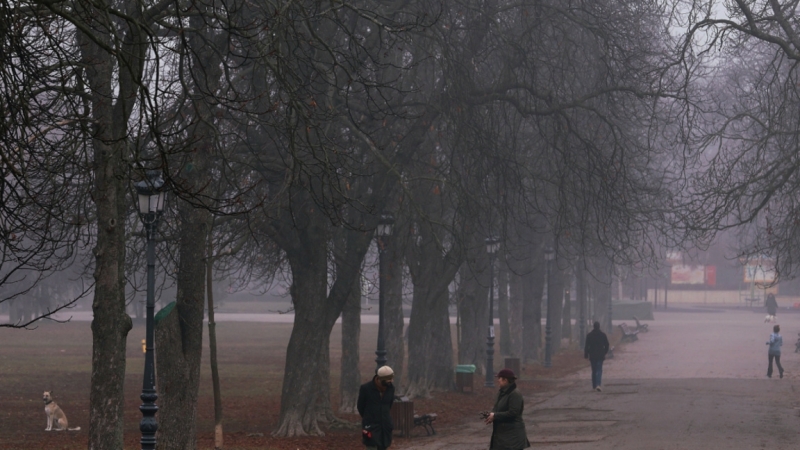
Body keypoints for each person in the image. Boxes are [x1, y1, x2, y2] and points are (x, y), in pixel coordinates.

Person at [484, 368, 530, 450]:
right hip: (503, 436)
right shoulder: (502, 392)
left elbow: (513, 413)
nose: (498, 380)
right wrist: (491, 415)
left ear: (505, 380)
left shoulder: (515, 394)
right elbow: (497, 408)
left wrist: (495, 415)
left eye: (499, 378)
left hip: (512, 437)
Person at [357, 365, 395, 450]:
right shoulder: (366, 389)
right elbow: (360, 406)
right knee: (371, 446)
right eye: (388, 380)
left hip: (385, 426)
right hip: (371, 426)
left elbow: (389, 405)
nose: (391, 381)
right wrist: (369, 417)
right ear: (380, 379)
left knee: (384, 446)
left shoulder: (391, 389)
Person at [584, 321, 610, 392]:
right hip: (600, 355)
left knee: (594, 370)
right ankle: (598, 384)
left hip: (592, 355)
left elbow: (587, 346)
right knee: (599, 370)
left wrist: (586, 354)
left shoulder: (589, 335)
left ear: (593, 327)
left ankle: (594, 385)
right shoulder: (603, 335)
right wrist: (604, 352)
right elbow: (607, 345)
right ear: (599, 327)